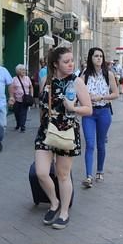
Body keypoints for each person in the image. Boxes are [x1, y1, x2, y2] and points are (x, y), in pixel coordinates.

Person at [34, 47, 92, 229]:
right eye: (66, 61)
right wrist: (42, 125)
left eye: (71, 61)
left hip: (67, 131)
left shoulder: (77, 82)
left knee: (63, 175)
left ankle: (64, 212)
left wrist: (73, 108)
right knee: (41, 172)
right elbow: (42, 108)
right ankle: (54, 202)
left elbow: (88, 109)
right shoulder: (46, 81)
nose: (70, 64)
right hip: (46, 131)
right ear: (55, 64)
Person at [80, 48, 119, 187]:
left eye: (101, 56)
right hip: (89, 113)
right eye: (96, 56)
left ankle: (100, 170)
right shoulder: (84, 75)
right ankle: (88, 176)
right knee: (90, 144)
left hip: (104, 111)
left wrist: (101, 97)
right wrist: (85, 98)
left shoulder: (108, 74)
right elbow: (78, 91)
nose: (99, 58)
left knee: (101, 143)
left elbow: (116, 93)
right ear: (91, 58)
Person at [9, 64, 33, 133]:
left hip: (25, 100)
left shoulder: (27, 78)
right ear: (18, 71)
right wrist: (12, 97)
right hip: (17, 99)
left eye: (24, 70)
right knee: (17, 113)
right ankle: (18, 124)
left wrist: (31, 95)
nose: (24, 71)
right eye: (22, 70)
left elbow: (31, 87)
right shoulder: (14, 79)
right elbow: (11, 89)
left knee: (23, 113)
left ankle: (22, 126)